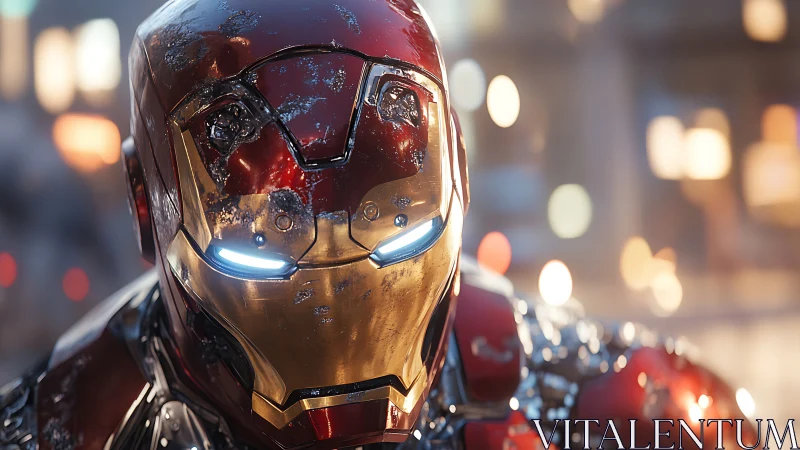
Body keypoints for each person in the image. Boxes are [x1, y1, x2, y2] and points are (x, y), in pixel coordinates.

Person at [0, 1, 755, 449]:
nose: (335, 271)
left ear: (453, 155)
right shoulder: (66, 422)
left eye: (389, 215)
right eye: (268, 228)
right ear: (147, 200)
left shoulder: (619, 406)